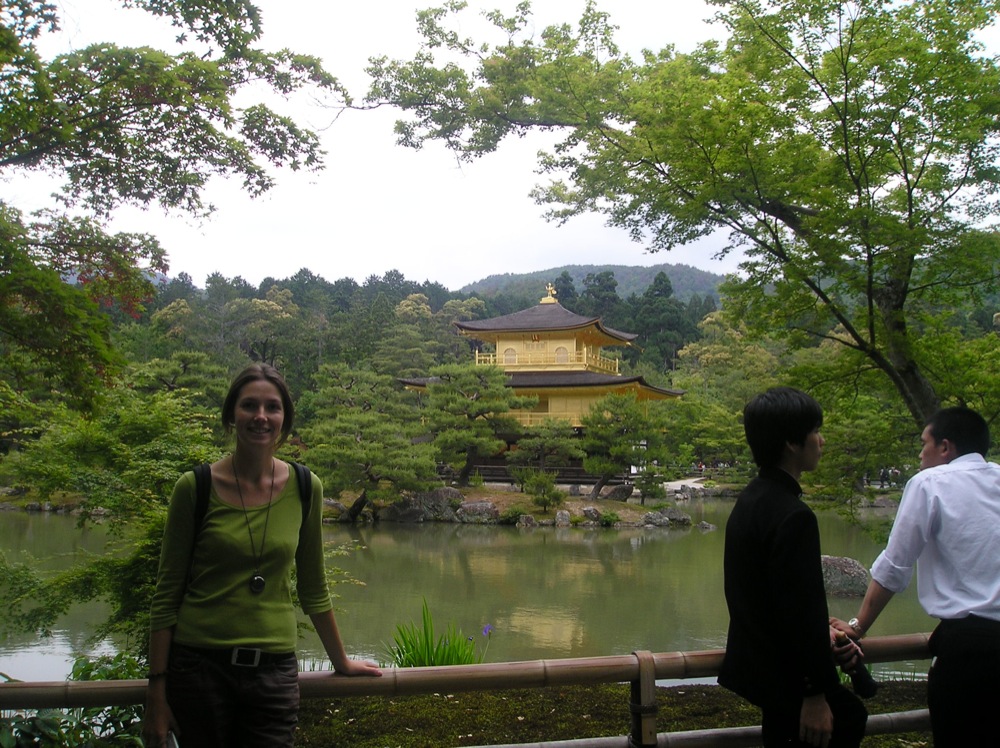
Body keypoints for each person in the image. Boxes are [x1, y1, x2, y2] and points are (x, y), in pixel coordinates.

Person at [142, 364, 381, 748]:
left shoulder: (306, 487)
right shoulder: (195, 488)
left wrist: (342, 662)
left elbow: (314, 588)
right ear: (231, 415)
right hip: (200, 669)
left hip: (273, 673)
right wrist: (156, 692)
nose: (260, 417)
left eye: (272, 407)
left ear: (284, 419)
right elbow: (166, 593)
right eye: (249, 405)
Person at [833, 406, 1000, 747]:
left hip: (969, 652)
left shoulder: (929, 483)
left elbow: (895, 566)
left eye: (924, 444)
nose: (920, 454)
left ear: (945, 447)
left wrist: (859, 625)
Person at [718, 387, 867, 748]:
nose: (822, 440)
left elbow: (770, 600)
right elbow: (799, 609)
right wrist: (814, 695)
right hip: (789, 680)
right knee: (848, 718)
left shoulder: (751, 500)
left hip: (760, 670)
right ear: (791, 443)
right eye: (815, 431)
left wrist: (821, 630)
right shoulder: (793, 515)